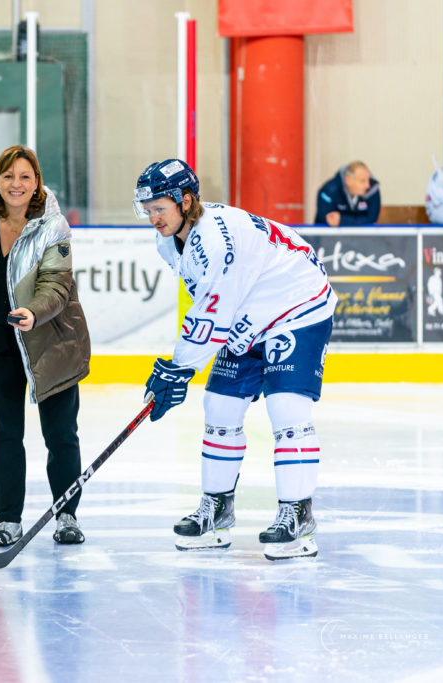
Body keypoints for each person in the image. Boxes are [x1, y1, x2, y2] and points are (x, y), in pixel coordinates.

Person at [134, 158, 336, 561]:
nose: (153, 217)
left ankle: (297, 512)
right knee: (220, 405)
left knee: (286, 407)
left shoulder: (215, 238)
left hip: (297, 306)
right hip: (250, 312)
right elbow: (214, 303)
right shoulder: (169, 240)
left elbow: (213, 310)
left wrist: (179, 368)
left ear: (185, 200)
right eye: (148, 209)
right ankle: (217, 510)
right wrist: (184, 365)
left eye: (159, 207)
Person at [0, 144, 91, 548]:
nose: (16, 184)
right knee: (5, 434)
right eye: (8, 175)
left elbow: (58, 285)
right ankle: (8, 520)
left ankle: (66, 514)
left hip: (51, 340)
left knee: (61, 433)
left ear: (37, 183)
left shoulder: (53, 226)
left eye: (25, 176)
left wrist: (33, 311)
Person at [314, 161, 380, 226]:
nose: (367, 185)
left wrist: (342, 220)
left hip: (361, 235)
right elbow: (328, 220)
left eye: (368, 179)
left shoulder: (372, 189)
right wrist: (359, 221)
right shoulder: (329, 191)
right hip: (327, 235)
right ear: (348, 180)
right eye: (362, 181)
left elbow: (372, 219)